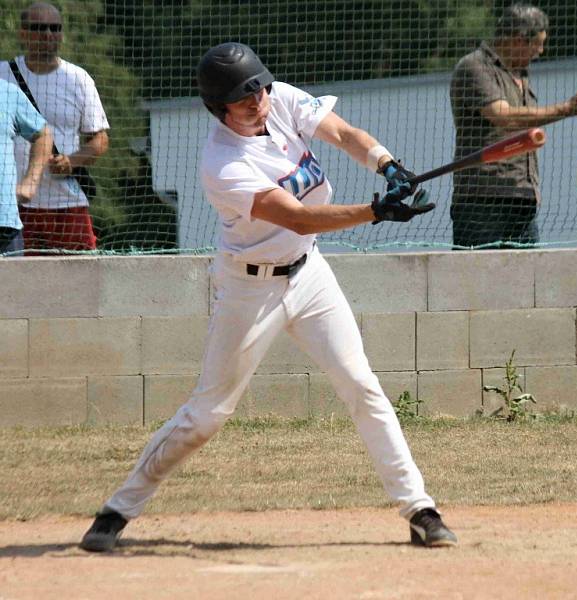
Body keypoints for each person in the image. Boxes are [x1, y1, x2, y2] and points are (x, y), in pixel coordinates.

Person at [78, 42, 457, 552]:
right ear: (219, 107)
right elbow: (296, 215)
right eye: (241, 95)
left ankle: (420, 510)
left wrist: (386, 164)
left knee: (361, 385)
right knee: (207, 414)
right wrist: (375, 211)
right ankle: (117, 510)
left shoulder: (276, 100)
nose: (256, 99)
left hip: (309, 273)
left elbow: (343, 134)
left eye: (258, 86)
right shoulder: (222, 162)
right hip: (248, 289)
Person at [449, 3, 577, 249]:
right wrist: (567, 109)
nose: (541, 51)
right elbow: (504, 117)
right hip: (482, 201)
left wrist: (532, 186)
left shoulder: (521, 72)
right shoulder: (475, 67)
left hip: (522, 198)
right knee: (478, 282)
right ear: (518, 39)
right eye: (538, 43)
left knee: (528, 281)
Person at [0, 2, 109, 254]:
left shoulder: (78, 78)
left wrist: (72, 160)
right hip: (15, 206)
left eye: (55, 28)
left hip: (67, 203)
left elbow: (100, 139)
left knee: (79, 278)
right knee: (20, 283)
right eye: (39, 28)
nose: (48, 34)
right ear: (23, 33)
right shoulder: (4, 75)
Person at [0, 78, 52, 255]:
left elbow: (43, 134)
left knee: (12, 284)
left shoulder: (7, 92)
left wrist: (30, 181)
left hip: (5, 225)